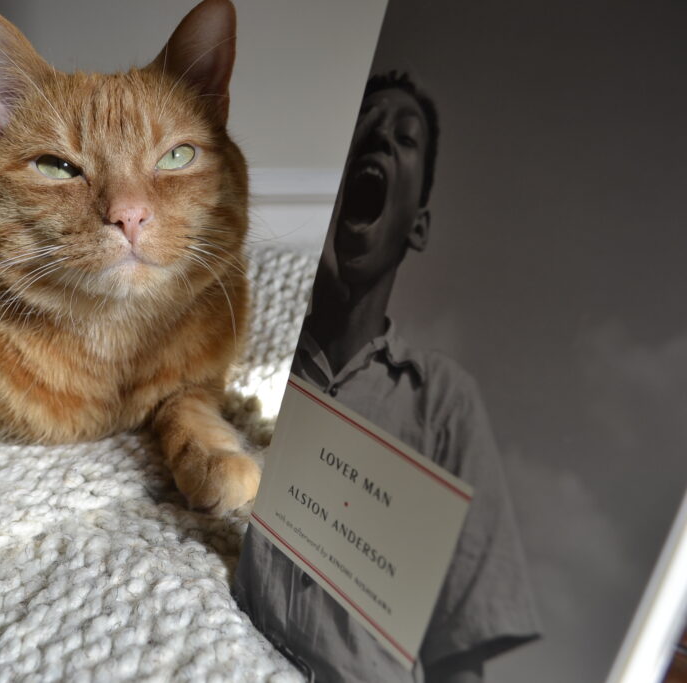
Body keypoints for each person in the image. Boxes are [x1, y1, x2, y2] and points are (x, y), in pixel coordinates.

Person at [234, 72, 540, 682]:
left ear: (418, 227)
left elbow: (460, 652)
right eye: (364, 124)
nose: (377, 136)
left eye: (403, 138)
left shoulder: (443, 403)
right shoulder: (270, 349)